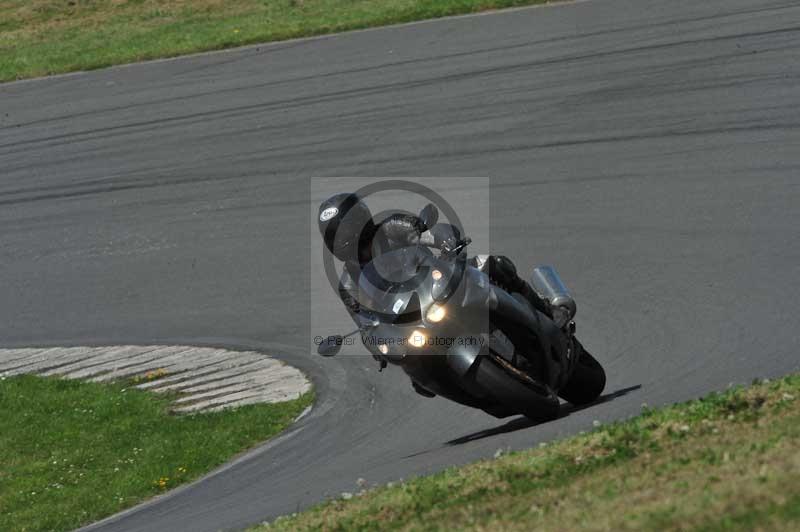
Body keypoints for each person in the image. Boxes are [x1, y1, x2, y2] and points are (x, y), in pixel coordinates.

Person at [317, 192, 554, 322]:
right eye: (333, 235)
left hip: (442, 283)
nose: (342, 239)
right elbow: (363, 322)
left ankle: (546, 310)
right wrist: (378, 345)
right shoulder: (348, 285)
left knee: (493, 264)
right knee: (417, 377)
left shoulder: (392, 228)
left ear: (360, 220)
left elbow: (428, 232)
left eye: (344, 230)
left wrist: (447, 241)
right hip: (412, 320)